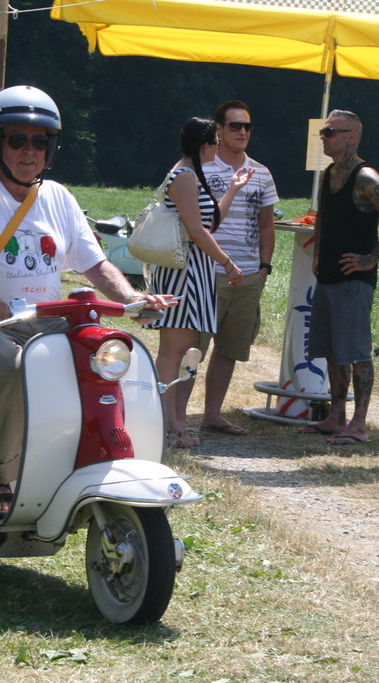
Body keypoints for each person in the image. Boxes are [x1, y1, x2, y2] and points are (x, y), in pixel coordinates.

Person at [0, 86, 172, 517]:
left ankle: (90, 457)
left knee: (105, 358)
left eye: (40, 142)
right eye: (17, 139)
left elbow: (95, 263)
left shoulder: (57, 197)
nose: (29, 151)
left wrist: (131, 299)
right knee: (10, 367)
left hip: (45, 321)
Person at [301, 110, 379, 445]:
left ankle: (359, 424)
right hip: (329, 276)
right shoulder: (328, 173)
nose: (324, 137)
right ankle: (336, 417)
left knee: (357, 353)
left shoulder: (365, 176)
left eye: (330, 132)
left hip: (353, 281)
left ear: (351, 137)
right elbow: (322, 218)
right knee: (332, 351)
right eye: (323, 131)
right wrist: (318, 254)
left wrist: (371, 258)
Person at [144, 117, 246, 448]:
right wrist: (227, 262)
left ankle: (173, 424)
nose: (218, 147)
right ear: (204, 146)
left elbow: (209, 222)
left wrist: (232, 189)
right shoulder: (184, 176)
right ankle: (168, 426)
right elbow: (198, 232)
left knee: (183, 351)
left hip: (194, 271)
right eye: (216, 141)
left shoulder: (191, 174)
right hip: (183, 273)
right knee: (173, 352)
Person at [197, 99, 279, 437]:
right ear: (219, 129)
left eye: (247, 126)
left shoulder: (262, 173)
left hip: (247, 275)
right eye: (235, 126)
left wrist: (264, 268)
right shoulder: (202, 167)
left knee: (229, 349)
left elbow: (266, 224)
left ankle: (212, 414)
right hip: (208, 271)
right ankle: (174, 417)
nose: (242, 132)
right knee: (193, 348)